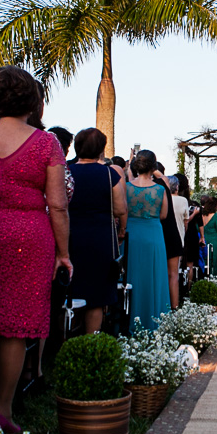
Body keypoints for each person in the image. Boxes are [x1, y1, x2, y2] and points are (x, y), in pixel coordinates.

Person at [0, 66, 69, 433]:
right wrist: (63, 252)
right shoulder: (46, 143)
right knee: (14, 327)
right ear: (32, 101)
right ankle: (2, 412)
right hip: (27, 236)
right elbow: (57, 205)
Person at [68, 128, 125, 335]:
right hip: (100, 237)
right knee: (96, 295)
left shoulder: (67, 171)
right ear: (101, 150)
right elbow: (120, 209)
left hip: (71, 236)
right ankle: (92, 340)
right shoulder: (109, 175)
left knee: (70, 290)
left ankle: (67, 338)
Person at [125, 150, 170, 331]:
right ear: (153, 166)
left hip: (132, 234)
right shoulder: (159, 189)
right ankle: (154, 322)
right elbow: (164, 215)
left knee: (133, 277)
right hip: (153, 234)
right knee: (154, 278)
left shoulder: (127, 187)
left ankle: (131, 322)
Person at [153, 163, 183, 308]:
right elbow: (163, 176)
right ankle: (174, 307)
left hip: (156, 234)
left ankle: (160, 306)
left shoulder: (143, 188)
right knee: (173, 275)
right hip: (171, 232)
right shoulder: (163, 185)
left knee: (159, 274)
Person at [200, 194, 217, 277]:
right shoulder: (216, 216)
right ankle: (215, 278)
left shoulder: (202, 216)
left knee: (206, 260)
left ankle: (205, 277)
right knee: (216, 261)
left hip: (205, 240)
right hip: (215, 242)